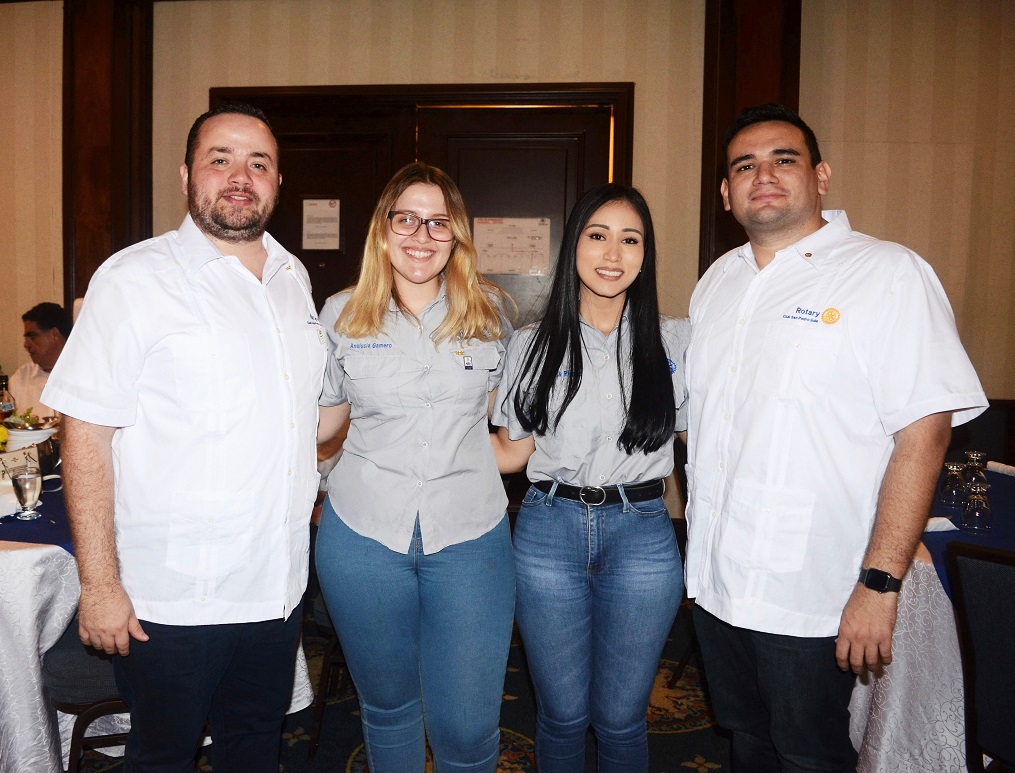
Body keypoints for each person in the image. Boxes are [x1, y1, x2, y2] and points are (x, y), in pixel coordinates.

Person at [684, 103, 988, 772]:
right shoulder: (718, 282)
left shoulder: (886, 273)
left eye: (782, 159)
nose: (762, 175)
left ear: (819, 176)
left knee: (812, 753)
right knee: (746, 739)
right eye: (744, 166)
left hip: (816, 591)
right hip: (716, 585)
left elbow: (924, 432)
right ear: (725, 193)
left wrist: (880, 583)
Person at [41, 102, 327, 773]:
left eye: (258, 163)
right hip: (173, 598)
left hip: (276, 590)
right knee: (161, 758)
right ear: (185, 175)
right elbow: (84, 433)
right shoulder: (133, 279)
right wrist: (100, 583)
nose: (239, 175)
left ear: (277, 182)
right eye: (219, 159)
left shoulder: (294, 279)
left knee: (254, 751)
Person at [314, 162, 515, 773]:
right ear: (383, 229)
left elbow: (511, 427)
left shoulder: (492, 314)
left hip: (471, 535)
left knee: (469, 728)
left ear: (455, 236)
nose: (421, 235)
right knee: (389, 708)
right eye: (407, 219)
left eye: (438, 222)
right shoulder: (341, 314)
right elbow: (322, 427)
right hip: (362, 535)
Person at [491, 183, 688, 772]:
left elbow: (716, 443)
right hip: (549, 531)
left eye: (630, 240)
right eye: (597, 236)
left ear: (646, 254)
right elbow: (511, 455)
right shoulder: (530, 344)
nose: (612, 253)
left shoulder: (677, 341)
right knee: (562, 716)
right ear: (574, 244)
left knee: (622, 718)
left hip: (645, 533)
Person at [10, 301, 70, 417]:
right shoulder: (21, 378)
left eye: (32, 336)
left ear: (54, 335)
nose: (26, 345)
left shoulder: (84, 376)